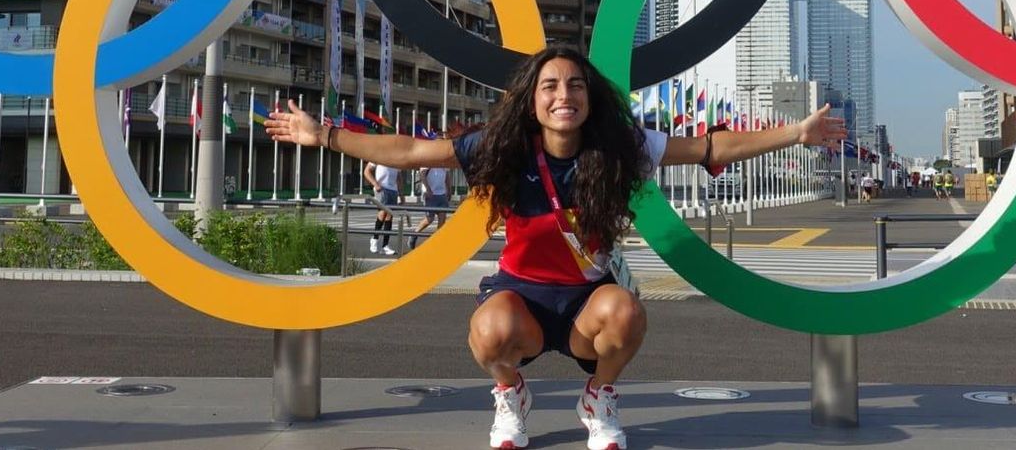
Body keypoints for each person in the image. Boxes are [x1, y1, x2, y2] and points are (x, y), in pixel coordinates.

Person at [267, 47, 845, 450]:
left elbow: (708, 147)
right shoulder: (503, 145)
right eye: (549, 86)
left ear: (589, 96)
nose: (562, 94)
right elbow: (411, 153)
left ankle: (598, 398)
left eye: (573, 84)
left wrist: (795, 133)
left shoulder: (623, 146)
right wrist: (327, 136)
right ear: (532, 99)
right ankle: (510, 394)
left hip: (585, 305)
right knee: (489, 333)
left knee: (627, 312)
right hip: (521, 298)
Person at [364, 158, 400, 256]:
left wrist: (401, 194)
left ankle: (385, 245)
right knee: (383, 212)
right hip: (382, 188)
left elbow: (398, 177)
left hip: (393, 189)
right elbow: (367, 171)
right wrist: (375, 184)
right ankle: (375, 239)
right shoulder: (379, 155)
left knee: (390, 215)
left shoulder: (397, 158)